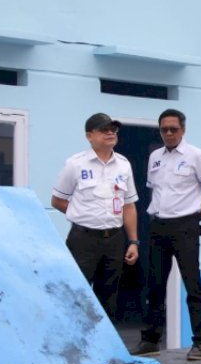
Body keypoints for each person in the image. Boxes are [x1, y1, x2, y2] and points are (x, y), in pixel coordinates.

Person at [131, 109, 201, 361]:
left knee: (193, 285)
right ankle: (150, 339)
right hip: (158, 226)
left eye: (173, 129)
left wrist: (196, 215)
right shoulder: (155, 157)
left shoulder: (196, 155)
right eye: (164, 129)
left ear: (183, 130)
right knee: (155, 285)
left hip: (185, 227)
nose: (168, 133)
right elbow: (155, 191)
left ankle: (200, 342)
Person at [51, 113, 140, 322]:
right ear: (89, 136)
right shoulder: (76, 164)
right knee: (77, 295)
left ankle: (105, 350)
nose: (110, 133)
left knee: (108, 297)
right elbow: (58, 200)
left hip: (114, 240)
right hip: (83, 239)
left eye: (113, 129)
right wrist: (81, 214)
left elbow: (128, 205)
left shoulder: (123, 165)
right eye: (104, 130)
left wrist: (134, 241)